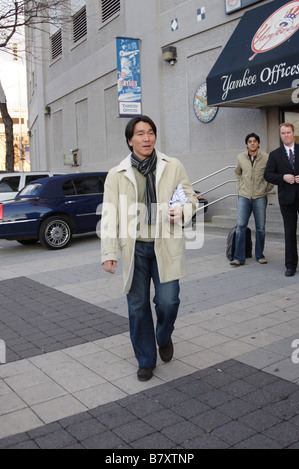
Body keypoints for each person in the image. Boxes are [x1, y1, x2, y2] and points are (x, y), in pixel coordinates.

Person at [101, 115, 198, 381]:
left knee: (168, 301)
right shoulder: (117, 174)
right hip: (135, 249)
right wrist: (109, 253)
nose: (147, 138)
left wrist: (183, 210)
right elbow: (110, 216)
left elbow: (191, 198)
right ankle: (146, 359)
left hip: (164, 244)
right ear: (130, 140)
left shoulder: (172, 166)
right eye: (140, 133)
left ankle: (163, 335)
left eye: (151, 132)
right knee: (138, 307)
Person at [230, 133, 273, 267]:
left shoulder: (266, 157)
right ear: (247, 144)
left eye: (255, 141)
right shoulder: (240, 157)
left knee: (260, 228)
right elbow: (237, 173)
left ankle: (260, 255)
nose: (252, 143)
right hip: (244, 196)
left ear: (258, 143)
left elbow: (271, 175)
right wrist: (240, 186)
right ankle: (239, 257)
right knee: (241, 226)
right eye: (250, 141)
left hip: (260, 196)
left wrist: (266, 188)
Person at [264, 123, 299, 277]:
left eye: (288, 132)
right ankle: (290, 265)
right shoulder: (275, 154)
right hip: (287, 198)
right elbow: (268, 174)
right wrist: (282, 177)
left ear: (293, 133)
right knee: (289, 232)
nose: (286, 135)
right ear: (280, 135)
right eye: (283, 133)